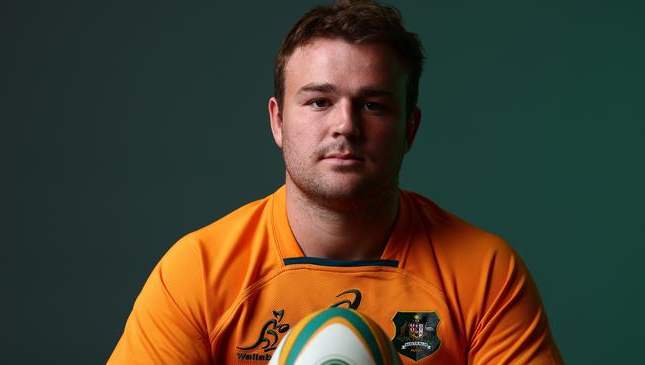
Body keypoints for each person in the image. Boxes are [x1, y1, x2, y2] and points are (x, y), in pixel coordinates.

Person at [108, 0, 563, 363]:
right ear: (278, 121)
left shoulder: (484, 273)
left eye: (373, 105)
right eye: (320, 102)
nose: (345, 125)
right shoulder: (198, 272)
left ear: (410, 128)